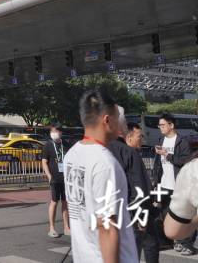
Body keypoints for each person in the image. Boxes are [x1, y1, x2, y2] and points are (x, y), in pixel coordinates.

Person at [64, 90, 138, 263]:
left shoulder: (71, 155)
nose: (121, 123)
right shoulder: (105, 163)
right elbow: (106, 226)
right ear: (107, 120)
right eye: (118, 117)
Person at [108, 111, 159, 263]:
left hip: (114, 209)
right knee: (144, 244)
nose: (141, 139)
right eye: (139, 136)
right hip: (134, 210)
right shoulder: (129, 153)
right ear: (128, 137)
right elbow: (139, 188)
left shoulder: (104, 149)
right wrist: (141, 215)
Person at [151, 112, 194, 255]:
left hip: (179, 185)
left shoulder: (182, 141)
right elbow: (158, 163)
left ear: (171, 125)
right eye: (159, 125)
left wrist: (167, 155)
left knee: (183, 215)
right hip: (164, 184)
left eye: (162, 125)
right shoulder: (160, 140)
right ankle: (176, 240)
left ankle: (186, 243)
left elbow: (185, 161)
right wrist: (155, 179)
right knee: (166, 214)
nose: (160, 127)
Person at [41, 123, 70, 238]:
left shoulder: (66, 144)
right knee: (54, 202)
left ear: (61, 132)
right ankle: (52, 228)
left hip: (65, 178)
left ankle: (66, 227)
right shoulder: (47, 145)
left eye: (56, 131)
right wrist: (49, 176)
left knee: (65, 202)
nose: (54, 133)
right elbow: (44, 162)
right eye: (52, 131)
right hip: (54, 179)